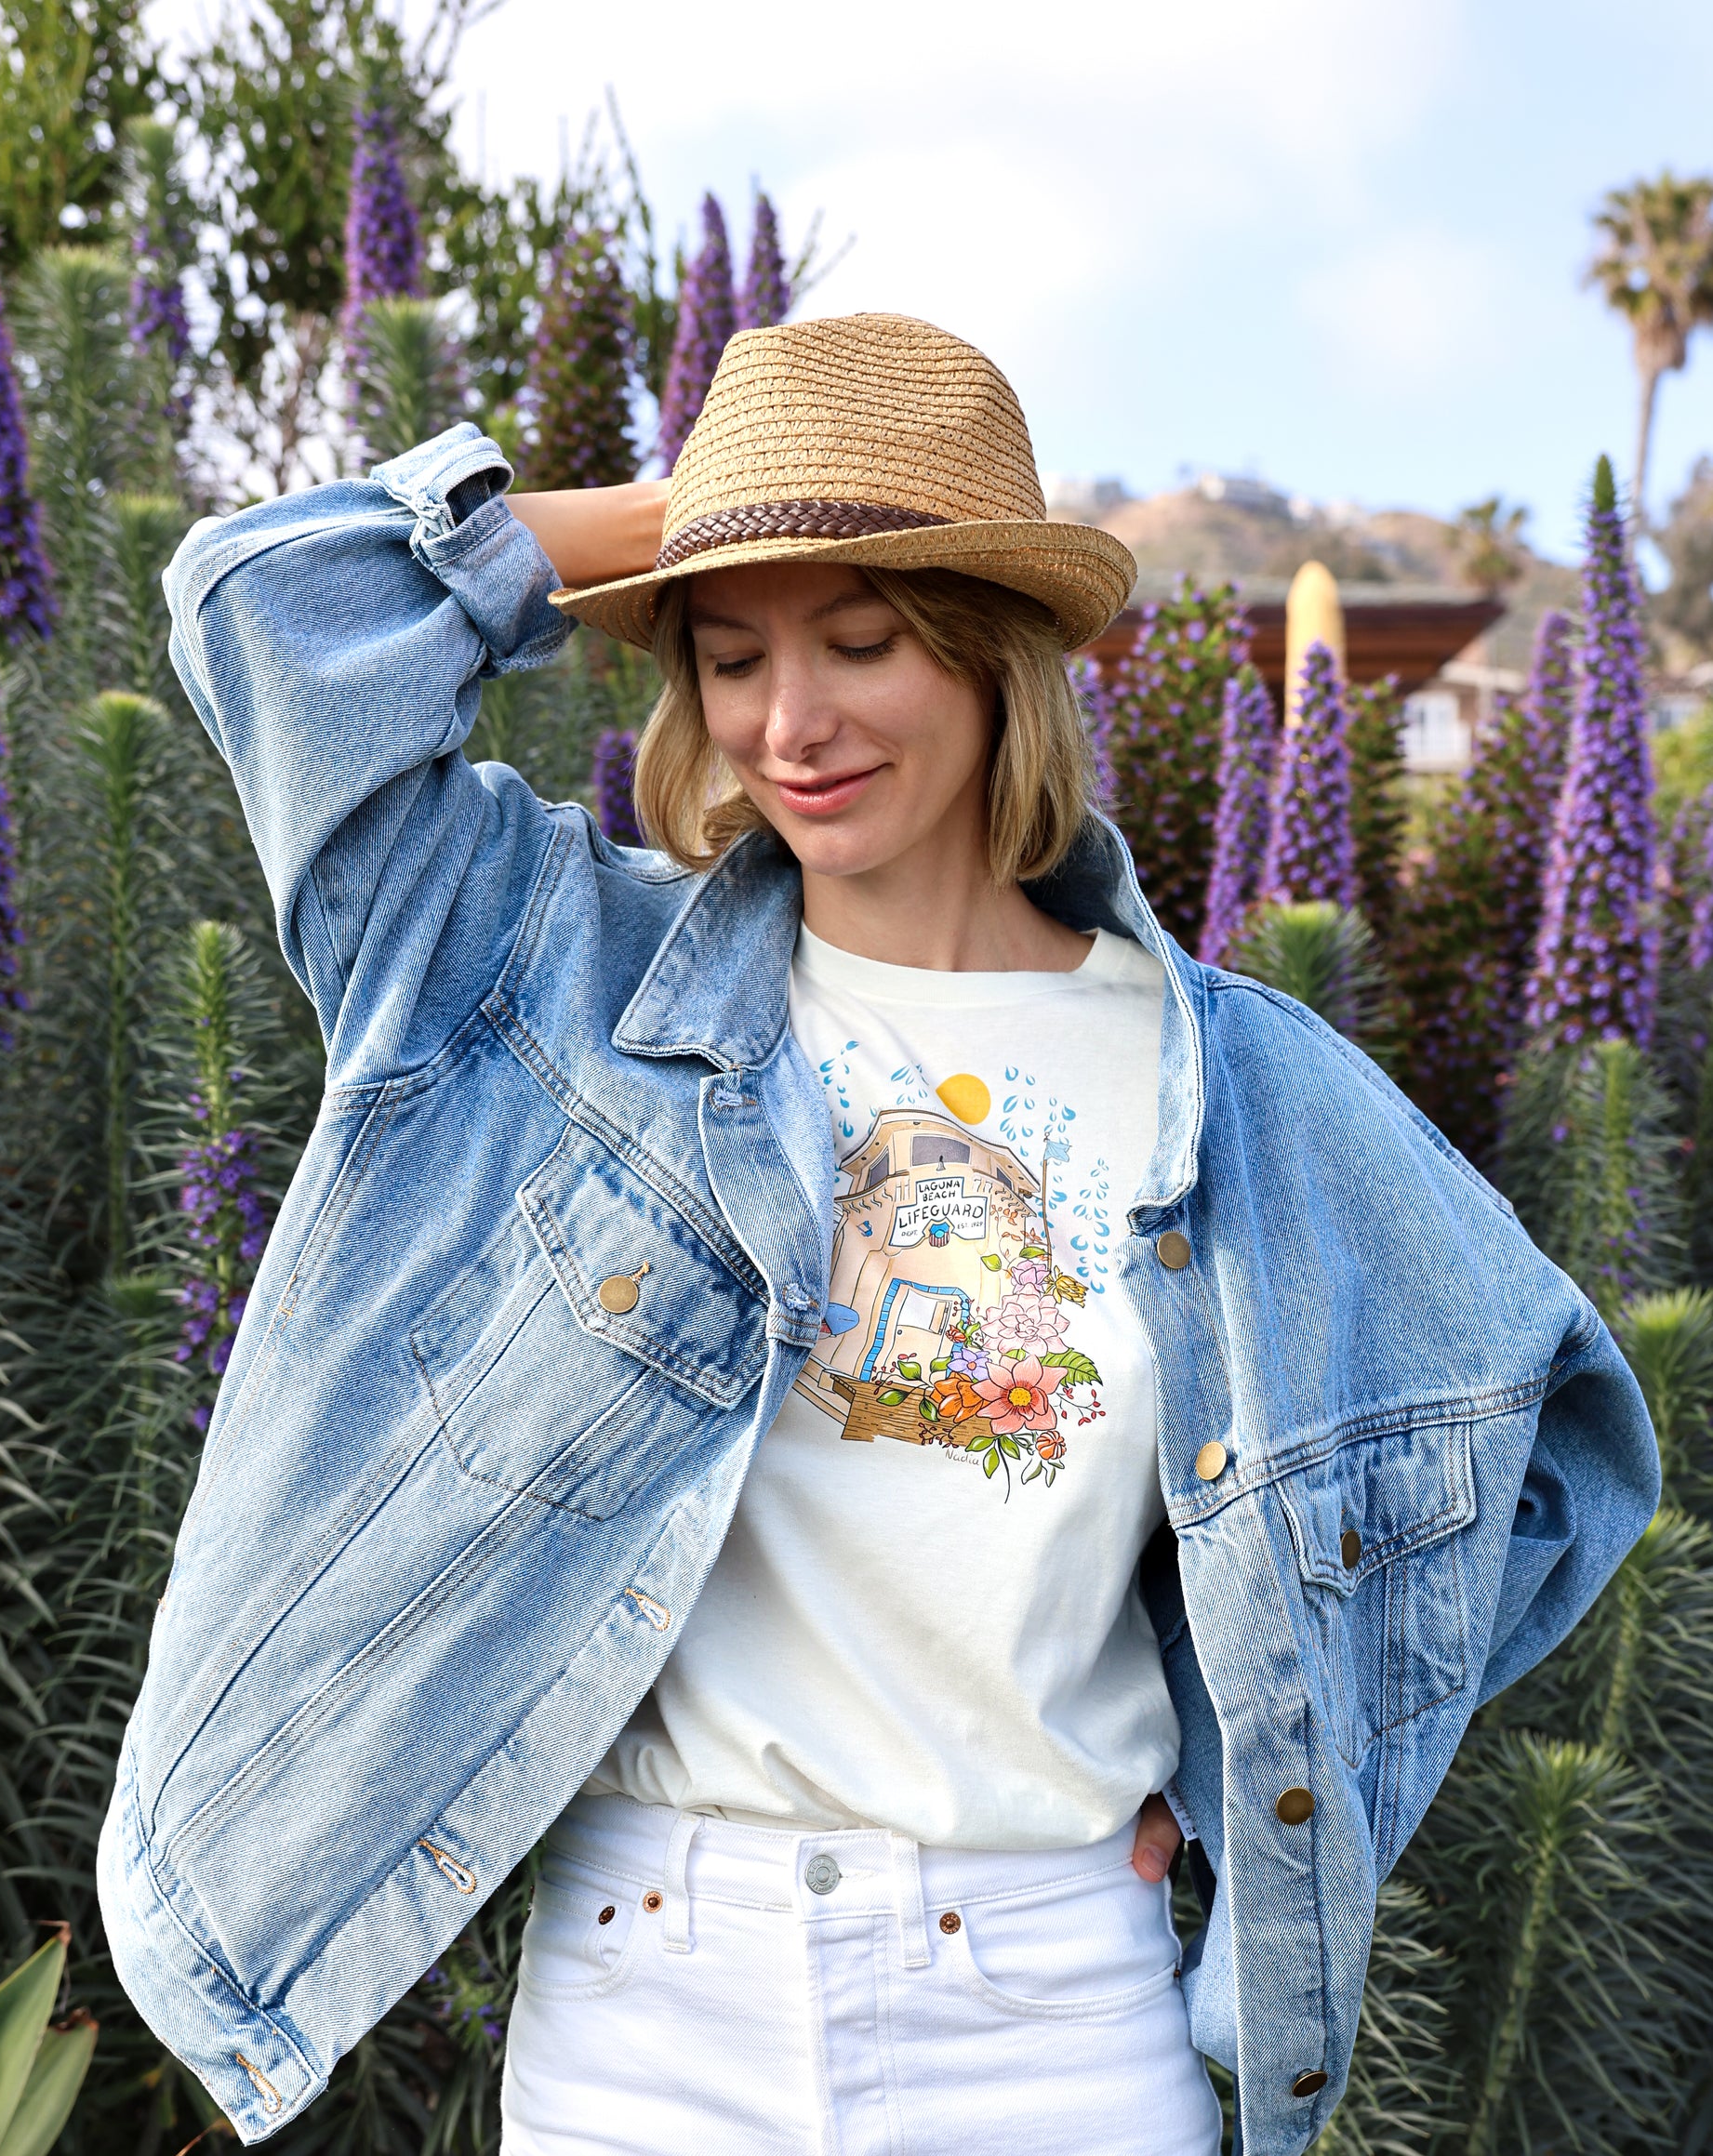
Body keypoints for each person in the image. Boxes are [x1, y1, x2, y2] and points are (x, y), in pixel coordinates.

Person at [99, 314, 1658, 2156]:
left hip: (1050, 2014)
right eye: (731, 651)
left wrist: (1243, 1760)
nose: (789, 722)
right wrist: (697, 509)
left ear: (996, 654)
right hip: (646, 2014)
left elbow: (1550, 1451)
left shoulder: (1241, 1084)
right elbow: (262, 606)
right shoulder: (543, 969)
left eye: (862, 640)